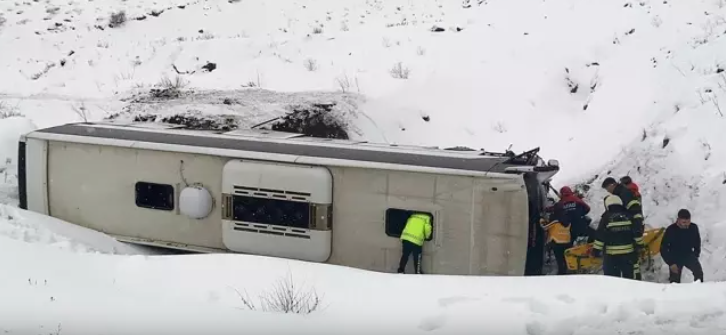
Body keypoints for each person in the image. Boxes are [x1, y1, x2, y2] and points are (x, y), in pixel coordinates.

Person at [602, 177, 645, 280]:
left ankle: (636, 280)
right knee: (631, 256)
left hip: (631, 227)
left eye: (608, 188)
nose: (608, 191)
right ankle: (634, 278)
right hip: (630, 226)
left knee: (633, 256)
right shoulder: (622, 192)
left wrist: (636, 227)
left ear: (612, 185)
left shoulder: (623, 193)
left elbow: (634, 210)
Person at [591, 195, 643, 279]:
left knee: (613, 281)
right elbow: (637, 233)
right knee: (630, 280)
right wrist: (641, 245)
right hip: (628, 255)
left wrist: (596, 251)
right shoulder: (629, 216)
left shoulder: (606, 217)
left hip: (611, 257)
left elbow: (600, 236)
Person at [660, 209, 704, 283]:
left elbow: (697, 242)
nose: (686, 224)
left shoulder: (693, 227)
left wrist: (696, 255)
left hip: (688, 254)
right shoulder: (671, 230)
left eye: (688, 222)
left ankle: (698, 290)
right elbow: (663, 248)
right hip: (675, 257)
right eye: (684, 222)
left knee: (699, 273)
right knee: (675, 281)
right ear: (678, 220)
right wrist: (670, 263)